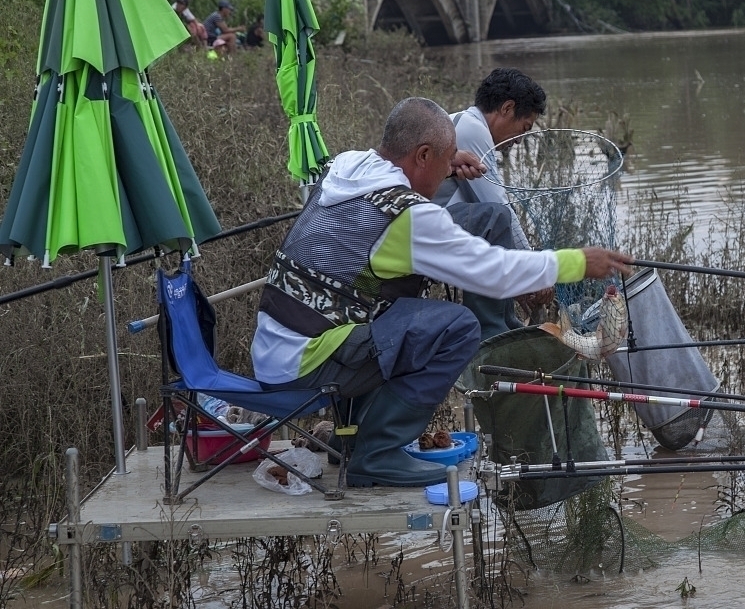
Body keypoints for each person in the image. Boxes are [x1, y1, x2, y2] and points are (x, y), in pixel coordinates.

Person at [250, 97, 633, 488]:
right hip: (307, 364)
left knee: (396, 311)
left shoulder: (346, 167)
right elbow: (493, 272)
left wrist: (445, 165)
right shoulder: (409, 218)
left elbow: (392, 202)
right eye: (444, 160)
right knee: (457, 327)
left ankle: (353, 433)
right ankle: (376, 452)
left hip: (275, 349)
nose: (448, 170)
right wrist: (576, 262)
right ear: (422, 154)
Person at [432, 68, 549, 341]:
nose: (520, 139)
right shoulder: (471, 130)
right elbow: (498, 205)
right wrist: (534, 270)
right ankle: (490, 330)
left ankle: (505, 321)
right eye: (524, 127)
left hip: (437, 223)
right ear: (507, 108)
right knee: (494, 218)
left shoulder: (462, 124)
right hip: (425, 228)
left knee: (493, 222)